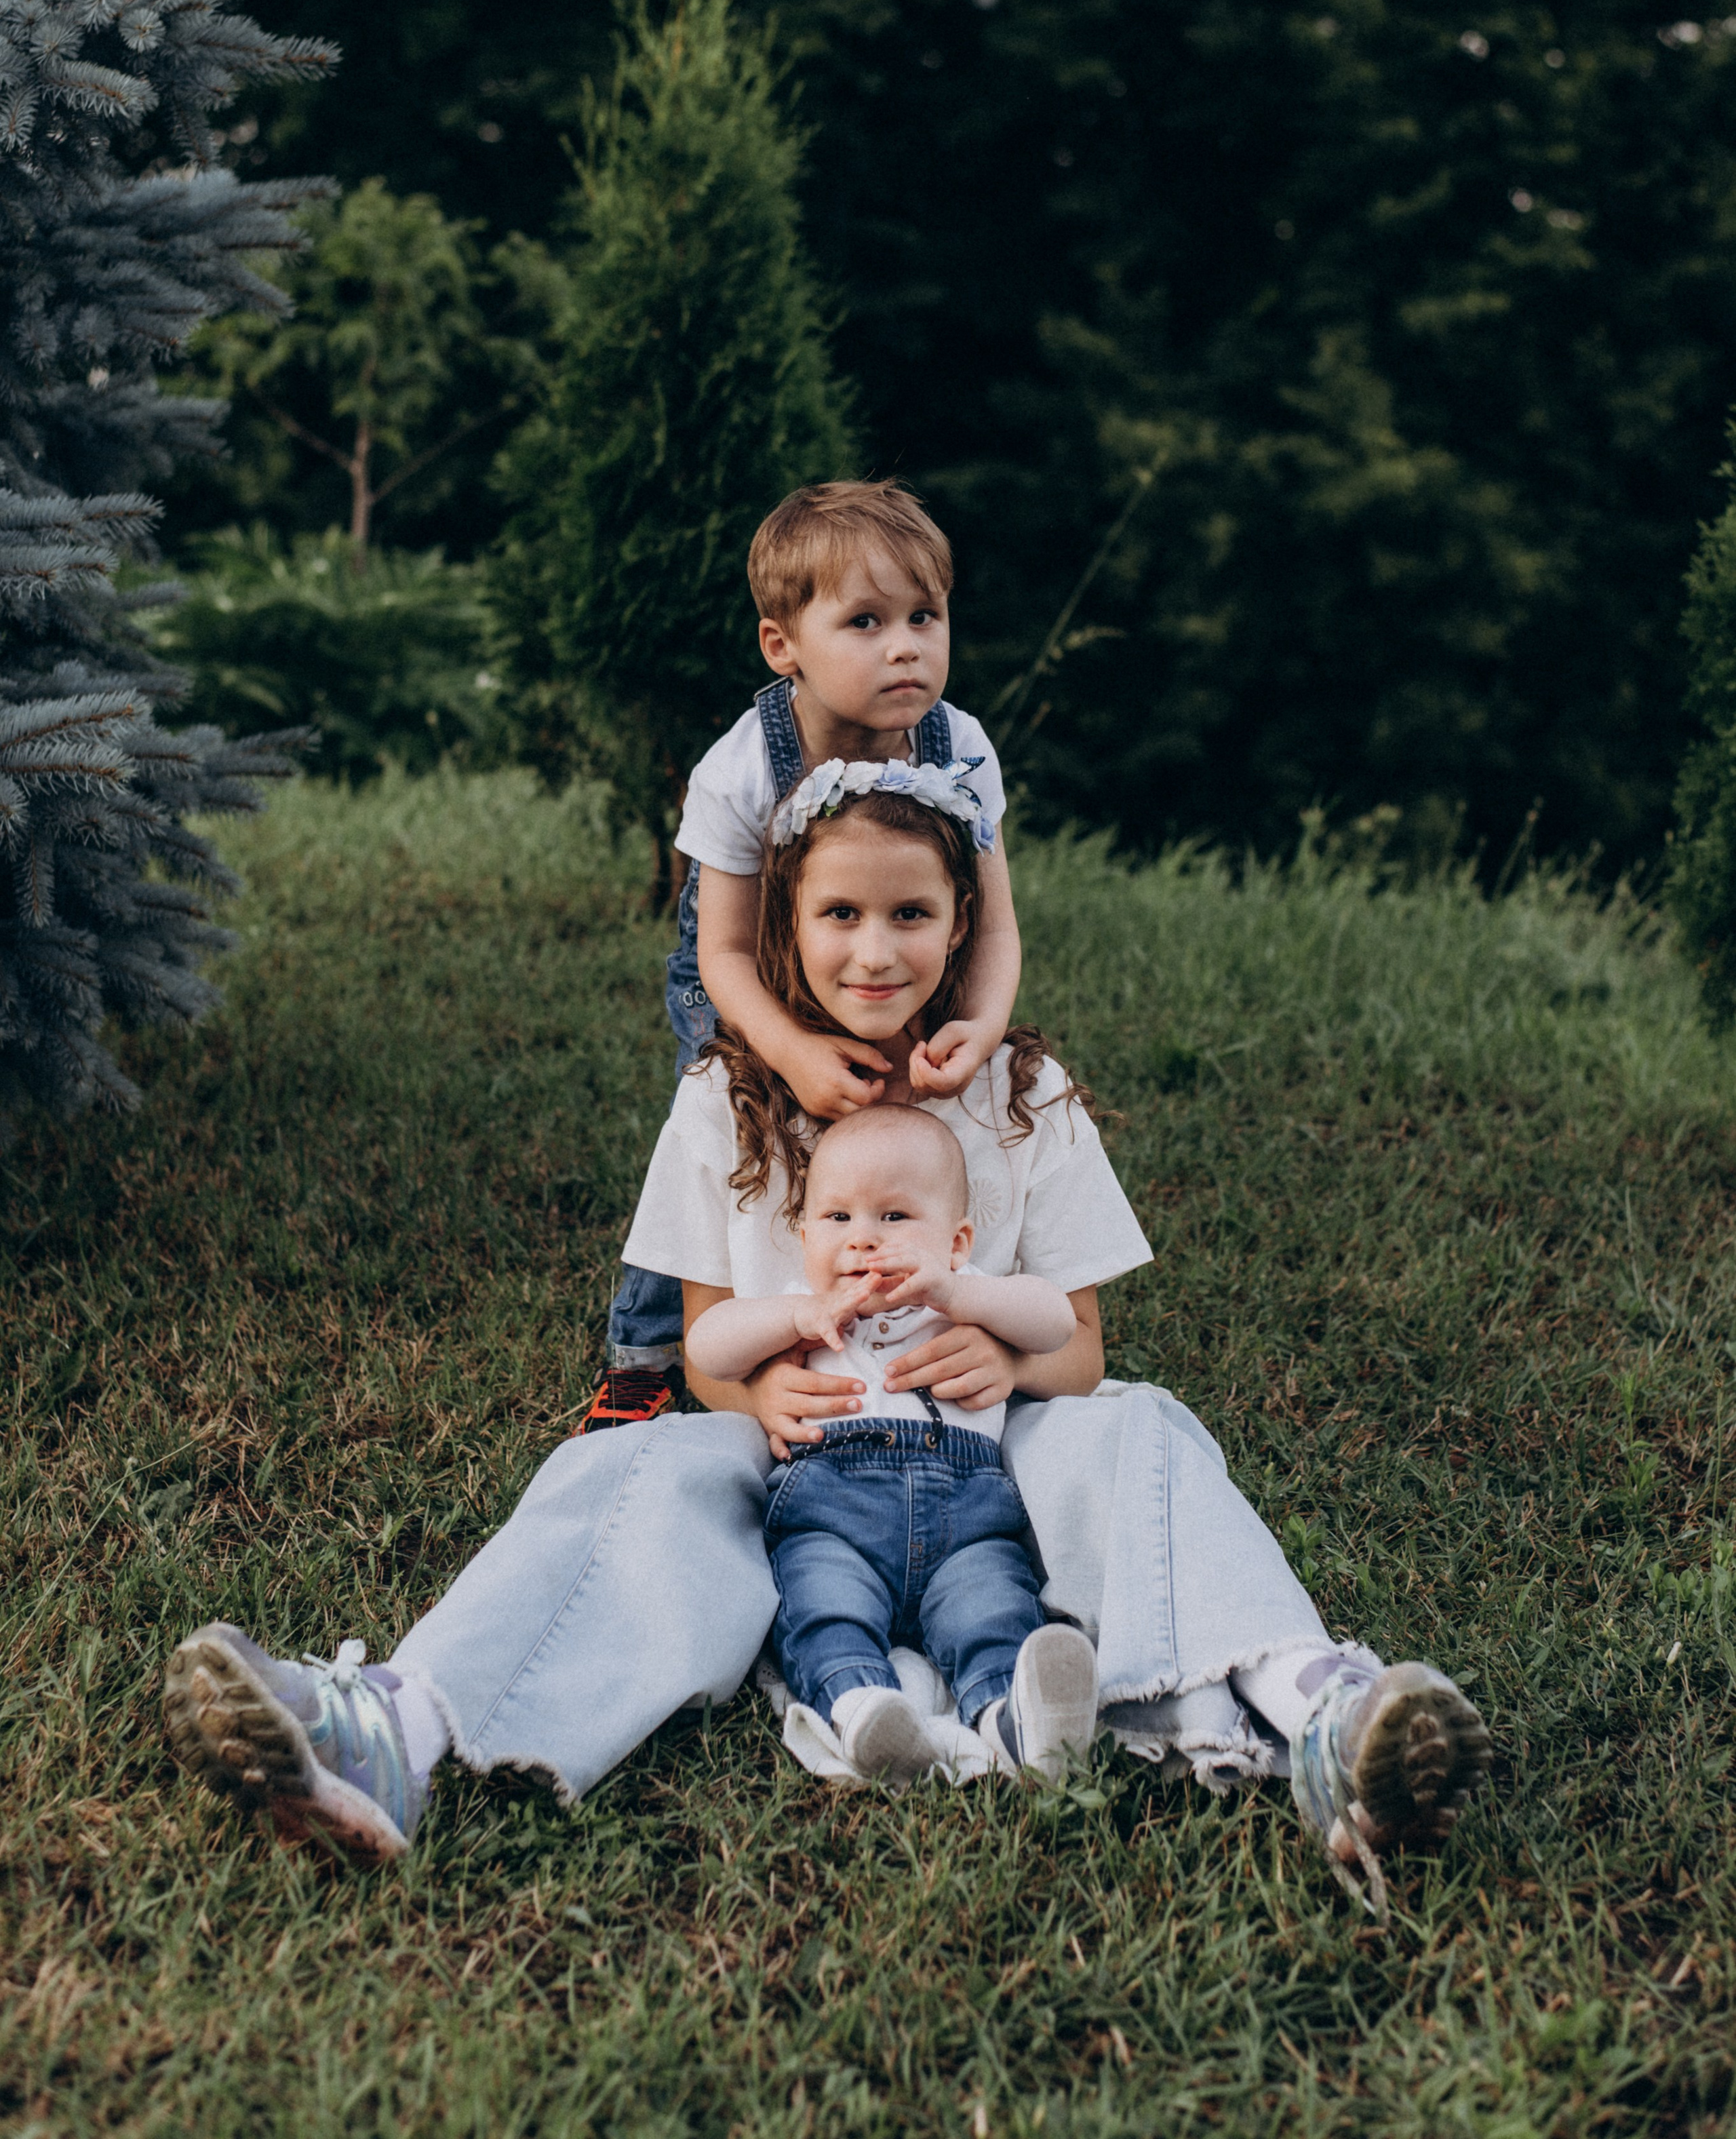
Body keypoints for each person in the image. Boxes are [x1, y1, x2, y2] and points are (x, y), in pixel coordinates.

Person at [164, 768, 1491, 1917]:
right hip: (794, 1453)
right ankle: (395, 1726)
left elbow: (1081, 1347)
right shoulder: (719, 1099)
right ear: (786, 931)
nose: (874, 949)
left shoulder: (1022, 1094)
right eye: (838, 914)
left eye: (910, 913)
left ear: (961, 923)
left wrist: (1010, 1363)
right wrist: (767, 1389)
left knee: (1140, 1421)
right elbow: (701, 1351)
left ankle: (1314, 1705)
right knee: (630, 1465)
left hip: (994, 1445)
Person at [578, 476, 1020, 1433]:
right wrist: (787, 1048)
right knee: (722, 1131)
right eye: (866, 621)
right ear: (783, 646)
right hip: (751, 973)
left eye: (925, 616)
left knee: (898, 1127)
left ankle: (923, 1297)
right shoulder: (743, 767)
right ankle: (644, 1357)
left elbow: (992, 925)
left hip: (895, 955)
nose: (905, 645)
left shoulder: (959, 744)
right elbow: (724, 949)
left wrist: (983, 1023)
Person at [686, 1100, 1099, 1786]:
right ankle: (862, 1707)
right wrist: (797, 1315)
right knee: (823, 1607)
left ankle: (1013, 1717)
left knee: (994, 1609)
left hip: (967, 1526)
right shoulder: (799, 1305)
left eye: (895, 1216)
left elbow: (1056, 1321)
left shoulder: (969, 1295)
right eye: (837, 1218)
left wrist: (959, 1295)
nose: (863, 1240)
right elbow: (706, 1345)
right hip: (832, 1517)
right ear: (804, 1235)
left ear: (957, 1241)